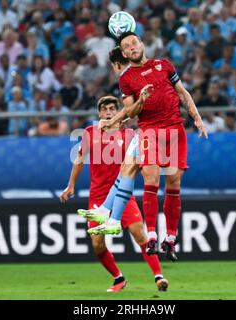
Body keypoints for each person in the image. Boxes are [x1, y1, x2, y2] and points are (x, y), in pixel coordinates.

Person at [80, 32, 208, 261]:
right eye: (126, 47)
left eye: (133, 43)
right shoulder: (127, 78)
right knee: (150, 179)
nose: (131, 48)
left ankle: (170, 238)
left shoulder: (164, 65)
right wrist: (140, 101)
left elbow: (182, 93)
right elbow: (131, 111)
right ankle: (150, 236)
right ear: (125, 54)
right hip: (149, 131)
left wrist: (197, 117)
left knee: (174, 182)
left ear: (141, 44)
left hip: (176, 130)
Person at [60, 96, 169, 293]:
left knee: (139, 233)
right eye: (104, 109)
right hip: (98, 198)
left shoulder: (129, 135)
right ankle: (118, 278)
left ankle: (159, 276)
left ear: (118, 111)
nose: (108, 112)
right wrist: (70, 186)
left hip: (122, 195)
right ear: (99, 113)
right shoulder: (89, 133)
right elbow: (78, 160)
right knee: (97, 244)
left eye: (112, 108)